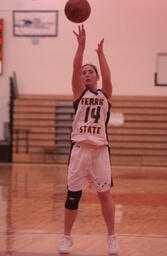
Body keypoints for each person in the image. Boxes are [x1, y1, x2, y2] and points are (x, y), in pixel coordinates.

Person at [59, 25, 119, 255]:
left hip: (101, 151)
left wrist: (100, 54)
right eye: (84, 72)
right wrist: (81, 47)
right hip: (80, 150)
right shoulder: (78, 93)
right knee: (72, 196)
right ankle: (66, 237)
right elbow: (75, 67)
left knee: (105, 194)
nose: (86, 74)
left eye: (90, 72)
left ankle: (112, 237)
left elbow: (108, 76)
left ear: (96, 77)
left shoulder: (105, 95)